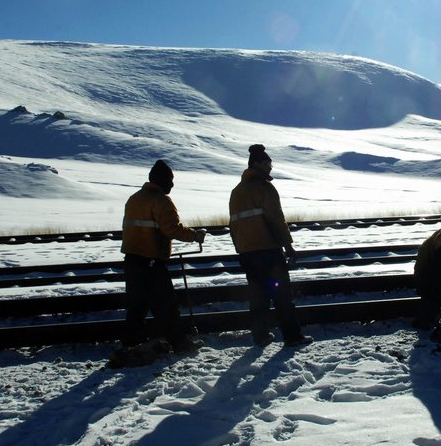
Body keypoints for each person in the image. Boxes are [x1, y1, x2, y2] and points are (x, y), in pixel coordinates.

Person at [228, 144, 311, 348]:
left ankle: (261, 336)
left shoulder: (237, 192)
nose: (270, 167)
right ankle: (292, 336)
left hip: (248, 254)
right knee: (281, 295)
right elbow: (276, 220)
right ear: (256, 164)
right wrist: (288, 246)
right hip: (268, 253)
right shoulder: (265, 188)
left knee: (258, 297)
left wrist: (241, 249)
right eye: (267, 163)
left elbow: (234, 225)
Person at [120, 159, 207, 352]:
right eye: (170, 179)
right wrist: (195, 235)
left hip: (132, 260)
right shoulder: (161, 200)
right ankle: (180, 343)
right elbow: (171, 229)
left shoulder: (134, 199)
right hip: (151, 261)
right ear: (162, 180)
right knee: (167, 305)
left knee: (137, 305)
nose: (172, 184)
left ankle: (130, 343)